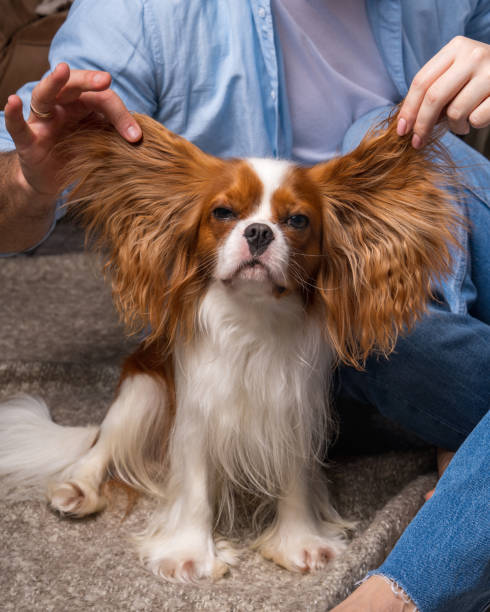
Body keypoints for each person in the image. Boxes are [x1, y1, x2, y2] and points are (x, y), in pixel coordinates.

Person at [0, 1, 489, 610]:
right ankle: (468, 429)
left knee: (376, 124)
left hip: (377, 295)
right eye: (231, 214)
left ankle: (458, 437)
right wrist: (31, 179)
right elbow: (14, 186)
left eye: (291, 221)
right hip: (348, 337)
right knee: (182, 370)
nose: (258, 231)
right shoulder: (139, 12)